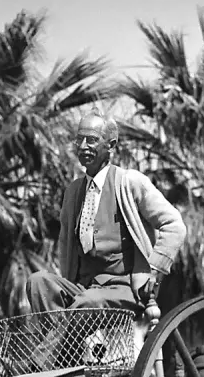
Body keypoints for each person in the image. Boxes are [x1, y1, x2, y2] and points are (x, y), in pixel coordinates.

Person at [24, 113, 186, 315]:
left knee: (88, 302)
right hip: (83, 290)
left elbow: (174, 225)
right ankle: (61, 335)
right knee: (38, 282)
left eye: (91, 140)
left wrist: (154, 269)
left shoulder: (130, 183)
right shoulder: (73, 193)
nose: (83, 146)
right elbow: (66, 245)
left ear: (110, 145)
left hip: (124, 289)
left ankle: (56, 336)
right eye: (79, 139)